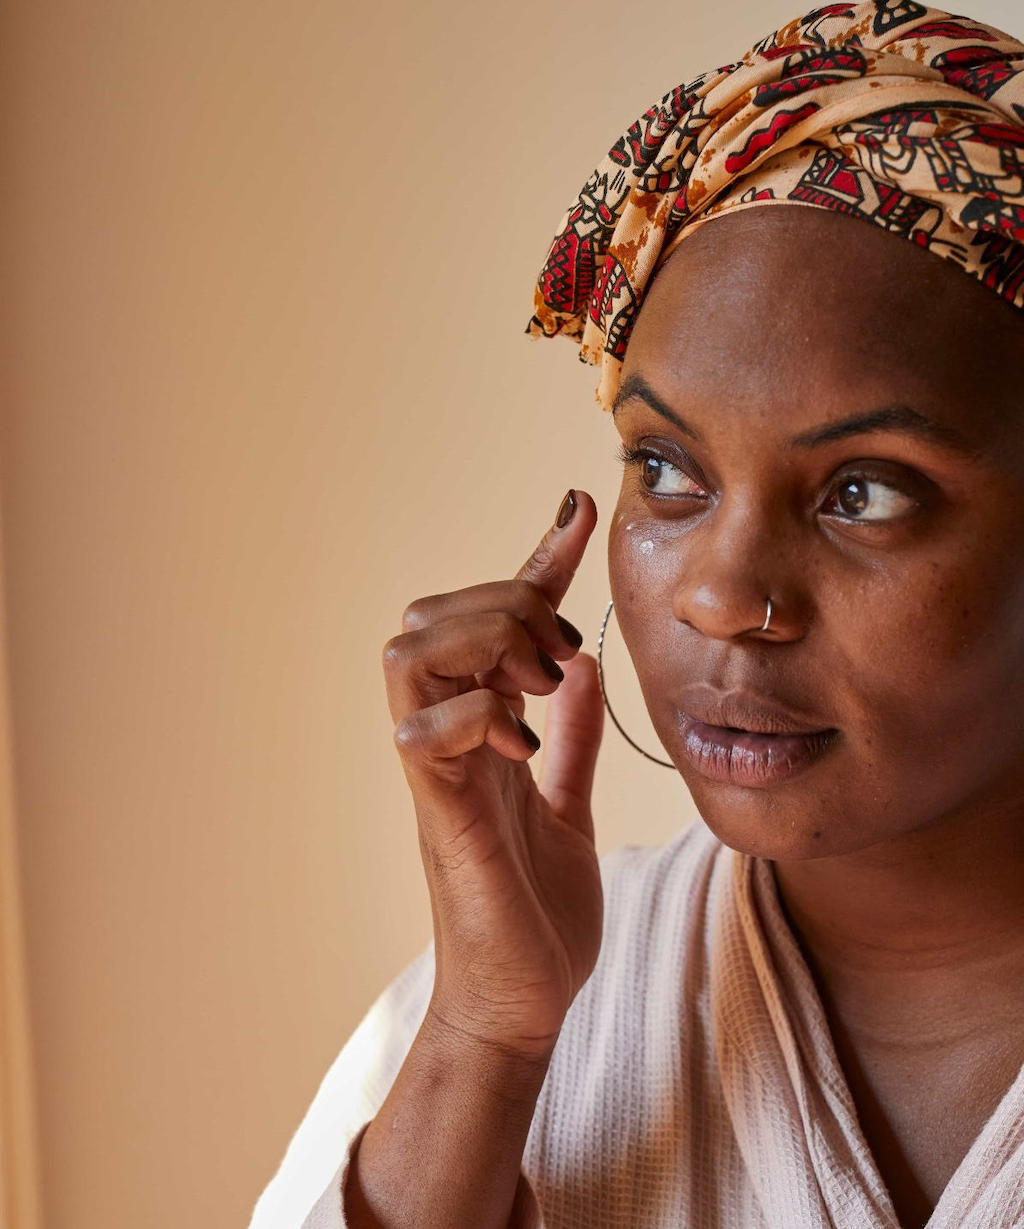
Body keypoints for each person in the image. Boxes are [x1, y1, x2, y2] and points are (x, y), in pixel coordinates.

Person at [248, 4, 1024, 1227]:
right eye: (667, 469)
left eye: (861, 491)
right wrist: (489, 1035)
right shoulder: (510, 1016)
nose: (719, 596)